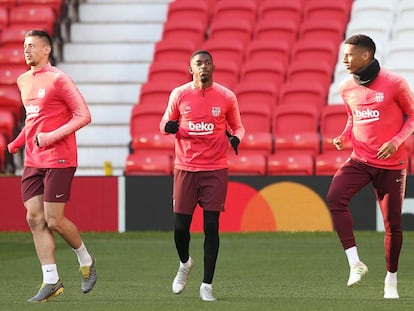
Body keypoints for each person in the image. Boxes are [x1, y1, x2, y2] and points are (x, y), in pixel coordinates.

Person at [7, 30, 97, 302]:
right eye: (24, 46)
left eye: (32, 46)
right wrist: (16, 143)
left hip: (59, 158)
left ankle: (86, 260)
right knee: (34, 218)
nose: (26, 50)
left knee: (53, 220)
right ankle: (51, 280)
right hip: (33, 160)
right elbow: (34, 121)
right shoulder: (23, 80)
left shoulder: (59, 79)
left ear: (46, 49)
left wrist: (50, 137)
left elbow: (84, 115)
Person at [327, 34, 414, 299]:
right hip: (360, 160)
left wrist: (396, 141)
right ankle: (355, 263)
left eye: (350, 54)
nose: (344, 59)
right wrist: (344, 136)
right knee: (334, 197)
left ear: (366, 55)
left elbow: (412, 116)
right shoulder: (345, 87)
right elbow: (353, 118)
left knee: (393, 226)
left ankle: (391, 280)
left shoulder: (395, 82)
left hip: (392, 164)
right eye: (344, 54)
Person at [159, 50, 245, 301]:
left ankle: (207, 285)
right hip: (185, 168)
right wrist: (169, 127)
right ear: (191, 69)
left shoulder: (227, 96)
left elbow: (237, 125)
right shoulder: (179, 94)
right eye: (199, 63)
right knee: (180, 228)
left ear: (213, 67)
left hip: (215, 169)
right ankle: (185, 263)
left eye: (207, 63)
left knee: (211, 226)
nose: (204, 66)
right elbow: (164, 123)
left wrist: (236, 137)